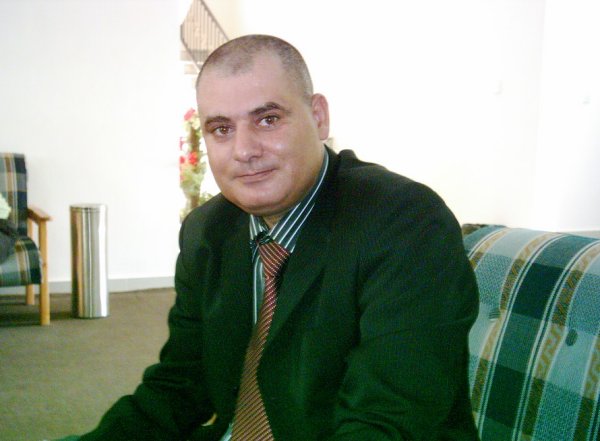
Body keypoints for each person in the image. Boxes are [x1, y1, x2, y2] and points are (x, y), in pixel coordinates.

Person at [60, 34, 480, 440]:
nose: (244, 150)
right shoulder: (207, 230)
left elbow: (388, 421)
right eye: (221, 129)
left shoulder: (403, 221)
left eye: (268, 119)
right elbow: (179, 385)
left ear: (318, 117)